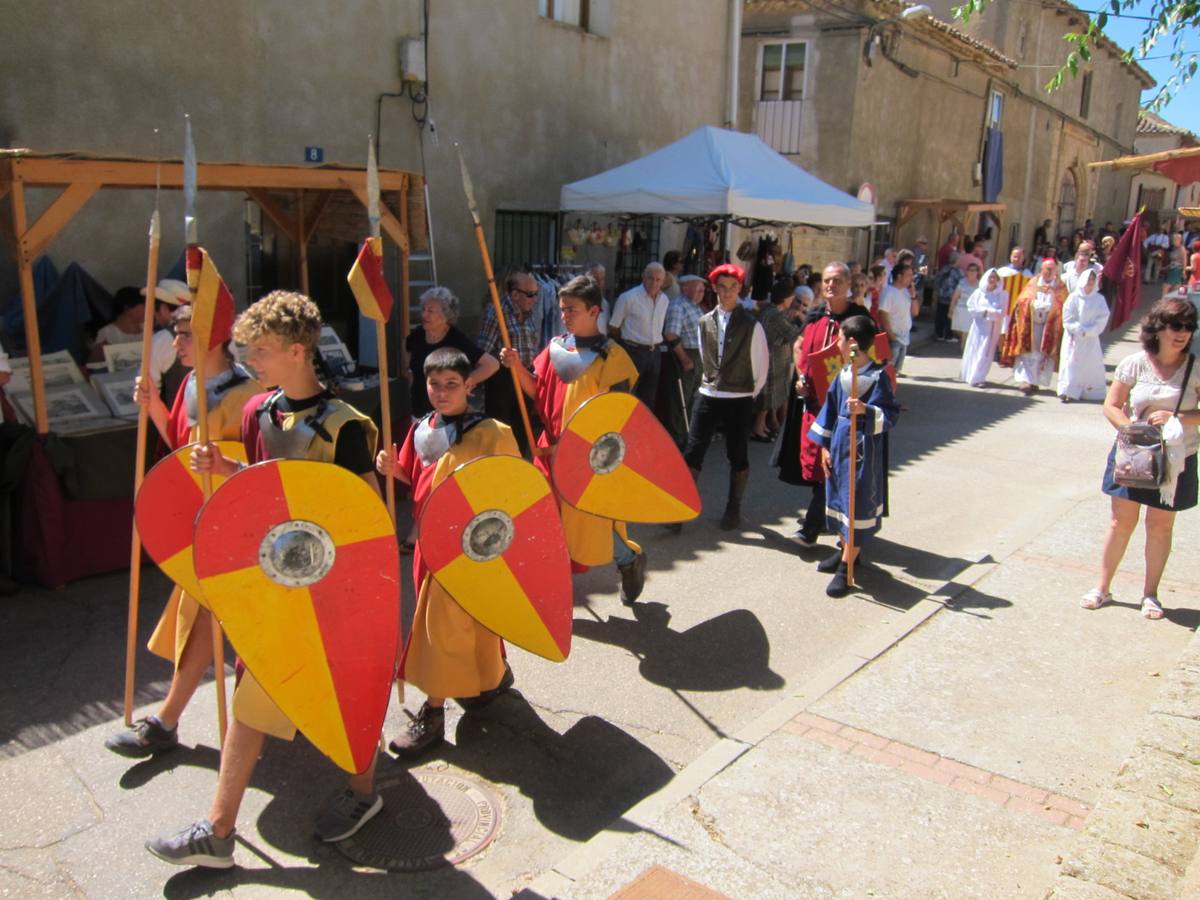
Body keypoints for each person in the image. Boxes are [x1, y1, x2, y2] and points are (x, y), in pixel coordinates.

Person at [146, 291, 384, 868]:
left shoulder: (347, 426)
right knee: (256, 693)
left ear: (298, 351)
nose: (253, 359)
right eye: (250, 350)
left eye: (264, 350)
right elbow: (262, 489)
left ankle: (363, 794)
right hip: (275, 579)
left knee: (343, 696)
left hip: (332, 586)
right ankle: (219, 831)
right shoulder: (258, 413)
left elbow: (366, 519)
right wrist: (228, 470)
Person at [104, 303, 262, 760]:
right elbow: (180, 447)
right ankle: (166, 722)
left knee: (233, 624)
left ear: (211, 338)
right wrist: (153, 403)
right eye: (174, 334)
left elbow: (262, 468)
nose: (175, 344)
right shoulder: (192, 384)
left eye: (184, 334)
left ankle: (169, 721)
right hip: (204, 524)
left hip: (241, 528)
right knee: (202, 617)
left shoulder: (247, 394)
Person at [376, 348, 518, 757]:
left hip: (472, 547)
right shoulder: (421, 428)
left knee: (439, 628)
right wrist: (392, 468)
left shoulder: (492, 432)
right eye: (434, 384)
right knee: (461, 621)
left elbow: (515, 493)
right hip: (429, 544)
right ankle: (493, 677)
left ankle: (433, 714)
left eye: (451, 384)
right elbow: (416, 479)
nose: (442, 392)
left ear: (469, 384)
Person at [503, 275, 648, 602]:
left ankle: (629, 560)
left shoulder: (613, 358)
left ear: (594, 310)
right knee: (546, 519)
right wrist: (515, 368)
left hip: (589, 460)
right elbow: (535, 391)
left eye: (572, 309)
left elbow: (617, 419)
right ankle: (550, 583)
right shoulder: (556, 347)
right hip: (549, 451)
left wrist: (577, 448)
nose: (565, 315)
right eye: (562, 309)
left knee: (590, 525)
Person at [1082, 298, 1200, 619]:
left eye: (1188, 327)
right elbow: (1112, 404)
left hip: (1177, 457)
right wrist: (1132, 429)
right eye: (1176, 326)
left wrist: (1178, 417)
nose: (1182, 333)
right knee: (1121, 523)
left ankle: (1150, 595)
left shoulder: (1196, 368)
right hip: (1134, 454)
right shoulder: (1136, 363)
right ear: (1158, 327)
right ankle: (1102, 588)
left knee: (1160, 527)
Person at [775, 262, 872, 546]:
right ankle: (829, 523)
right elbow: (798, 346)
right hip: (816, 404)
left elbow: (875, 359)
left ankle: (812, 528)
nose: (831, 285)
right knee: (821, 464)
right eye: (827, 280)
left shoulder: (860, 318)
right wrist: (801, 376)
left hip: (846, 405)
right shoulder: (816, 314)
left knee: (835, 465)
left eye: (838, 280)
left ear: (848, 284)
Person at [808, 314, 900, 597]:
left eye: (839, 338)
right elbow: (830, 412)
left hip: (863, 453)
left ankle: (845, 571)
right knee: (838, 501)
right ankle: (846, 551)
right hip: (838, 447)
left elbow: (890, 415)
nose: (836, 343)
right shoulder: (843, 375)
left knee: (856, 504)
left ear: (852, 343)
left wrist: (866, 410)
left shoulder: (876, 377)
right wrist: (824, 447)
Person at [683, 263, 769, 531]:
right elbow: (703, 356)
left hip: (739, 396)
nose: (727, 292)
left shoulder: (752, 324)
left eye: (732, 287)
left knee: (737, 453)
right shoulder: (704, 321)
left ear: (740, 289)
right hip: (708, 393)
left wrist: (748, 394)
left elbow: (761, 364)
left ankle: (733, 508)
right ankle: (680, 507)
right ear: (715, 289)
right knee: (693, 450)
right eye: (722, 287)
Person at [406, 287, 498, 420]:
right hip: (419, 411)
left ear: (445, 316)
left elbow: (492, 364)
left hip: (449, 414)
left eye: (430, 311)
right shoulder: (417, 335)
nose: (424, 315)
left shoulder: (456, 340)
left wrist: (467, 382)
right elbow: (407, 356)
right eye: (424, 310)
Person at [478, 271, 541, 456]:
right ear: (515, 294)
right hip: (502, 380)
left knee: (523, 429)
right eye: (531, 294)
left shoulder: (529, 314)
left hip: (524, 376)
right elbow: (484, 350)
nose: (535, 299)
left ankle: (520, 467)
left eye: (536, 294)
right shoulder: (496, 312)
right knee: (501, 429)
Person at [999, 257, 1066, 395]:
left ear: (1056, 271)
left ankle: (1035, 381)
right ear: (1041, 269)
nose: (1049, 272)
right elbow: (1022, 301)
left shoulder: (1060, 287)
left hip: (1049, 326)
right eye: (1046, 269)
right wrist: (1032, 306)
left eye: (1052, 269)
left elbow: (1063, 304)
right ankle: (1026, 380)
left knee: (1042, 354)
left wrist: (1051, 308)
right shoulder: (1033, 283)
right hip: (1031, 325)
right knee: (1028, 353)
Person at [608, 262, 669, 412]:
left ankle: (642, 433)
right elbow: (614, 326)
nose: (654, 283)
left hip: (654, 353)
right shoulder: (628, 298)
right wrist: (627, 344)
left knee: (648, 398)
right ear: (643, 277)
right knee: (627, 395)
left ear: (663, 281)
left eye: (658, 279)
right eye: (650, 278)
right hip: (632, 351)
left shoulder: (664, 300)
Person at [752, 278, 802, 442]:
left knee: (771, 396)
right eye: (790, 297)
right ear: (784, 297)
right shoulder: (774, 314)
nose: (791, 300)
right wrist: (801, 319)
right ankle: (758, 429)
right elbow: (793, 333)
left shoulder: (772, 311)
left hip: (775, 357)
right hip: (770, 358)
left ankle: (763, 426)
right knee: (766, 397)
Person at [662, 274, 705, 450]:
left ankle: (688, 435)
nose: (702, 293)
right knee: (681, 400)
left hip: (697, 354)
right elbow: (671, 334)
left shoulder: (694, 306)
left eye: (703, 290)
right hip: (686, 355)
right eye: (699, 289)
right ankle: (677, 439)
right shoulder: (678, 306)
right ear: (685, 288)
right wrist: (685, 359)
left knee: (693, 397)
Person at [1057, 268, 1110, 403]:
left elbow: (1103, 318)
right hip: (1074, 338)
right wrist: (1078, 329)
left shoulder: (1099, 299)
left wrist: (1089, 331)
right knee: (1070, 363)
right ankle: (1067, 391)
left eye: (1093, 279)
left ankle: (1088, 392)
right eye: (1088, 279)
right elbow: (1068, 317)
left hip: (1090, 339)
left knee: (1088, 364)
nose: (1090, 282)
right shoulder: (1074, 297)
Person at [959, 267, 1007, 387]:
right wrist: (984, 312)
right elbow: (971, 306)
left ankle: (979, 377)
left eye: (994, 278)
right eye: (990, 277)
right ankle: (970, 374)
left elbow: (1002, 312)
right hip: (978, 326)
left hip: (992, 327)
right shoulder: (979, 293)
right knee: (974, 348)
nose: (992, 279)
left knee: (986, 351)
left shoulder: (1002, 294)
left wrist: (990, 313)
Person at [876, 261, 919, 374]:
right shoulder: (889, 292)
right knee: (888, 369)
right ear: (899, 276)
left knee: (896, 370)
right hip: (893, 337)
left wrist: (913, 296)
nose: (911, 278)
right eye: (909, 275)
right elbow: (883, 315)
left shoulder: (906, 292)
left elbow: (915, 312)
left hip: (904, 337)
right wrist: (891, 336)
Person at [90, 286, 145, 361]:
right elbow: (94, 364)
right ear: (127, 308)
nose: (149, 309)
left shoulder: (149, 328)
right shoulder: (107, 333)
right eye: (144, 306)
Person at [948, 260, 982, 341]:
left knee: (967, 333)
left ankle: (964, 351)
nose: (972, 272)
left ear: (977, 272)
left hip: (972, 312)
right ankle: (964, 347)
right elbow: (955, 297)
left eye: (974, 270)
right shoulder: (962, 282)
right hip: (960, 310)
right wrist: (951, 309)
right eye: (970, 270)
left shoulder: (980, 284)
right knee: (961, 332)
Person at [933, 252, 963, 342]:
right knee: (949, 317)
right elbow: (961, 284)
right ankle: (948, 335)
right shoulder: (957, 272)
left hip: (941, 295)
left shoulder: (943, 269)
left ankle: (939, 334)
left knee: (940, 315)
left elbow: (937, 280)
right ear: (956, 261)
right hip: (951, 297)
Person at [1164, 232, 1186, 298]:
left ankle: (1164, 302)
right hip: (1172, 269)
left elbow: (1184, 261)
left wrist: (1184, 271)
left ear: (1179, 240)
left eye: (1174, 240)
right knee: (1174, 288)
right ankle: (1172, 303)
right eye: (1172, 240)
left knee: (1166, 286)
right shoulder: (1174, 248)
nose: (1173, 241)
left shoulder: (1182, 249)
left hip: (1177, 270)